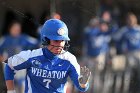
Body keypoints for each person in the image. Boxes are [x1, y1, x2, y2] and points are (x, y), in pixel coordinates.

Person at [4, 19, 91, 93]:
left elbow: (82, 88)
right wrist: (11, 91)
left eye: (62, 40)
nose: (60, 44)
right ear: (45, 40)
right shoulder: (31, 56)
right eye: (56, 40)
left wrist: (83, 83)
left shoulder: (69, 59)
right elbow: (8, 65)